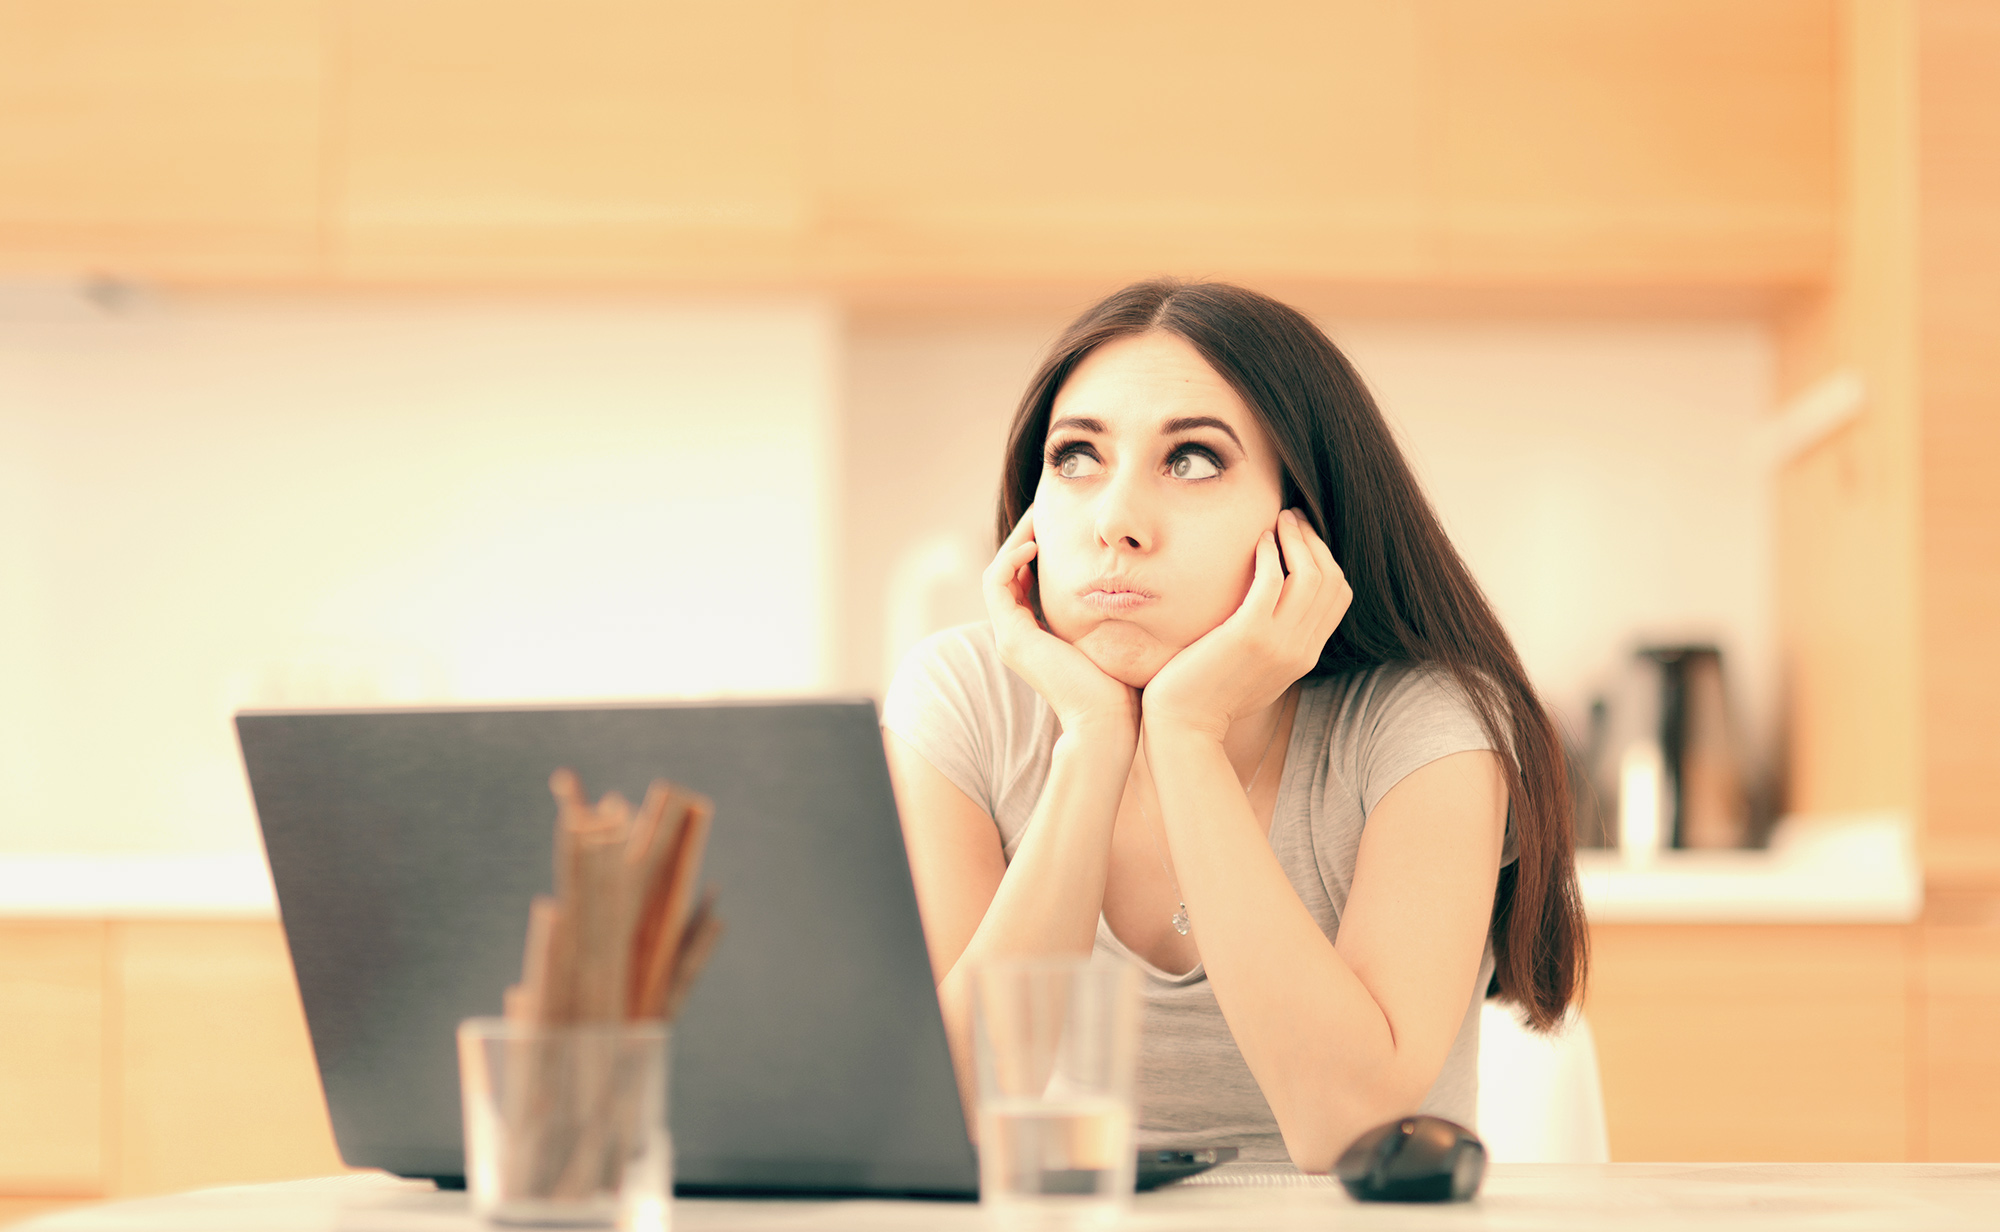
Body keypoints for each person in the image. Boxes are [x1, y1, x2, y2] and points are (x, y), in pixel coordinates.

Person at [882, 279, 1586, 1172]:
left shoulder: (1424, 726)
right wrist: (1094, 740)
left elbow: (1351, 1131)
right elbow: (948, 1112)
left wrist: (1185, 732)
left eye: (1192, 461)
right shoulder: (963, 701)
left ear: (1305, 521)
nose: (1116, 522)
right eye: (1076, 458)